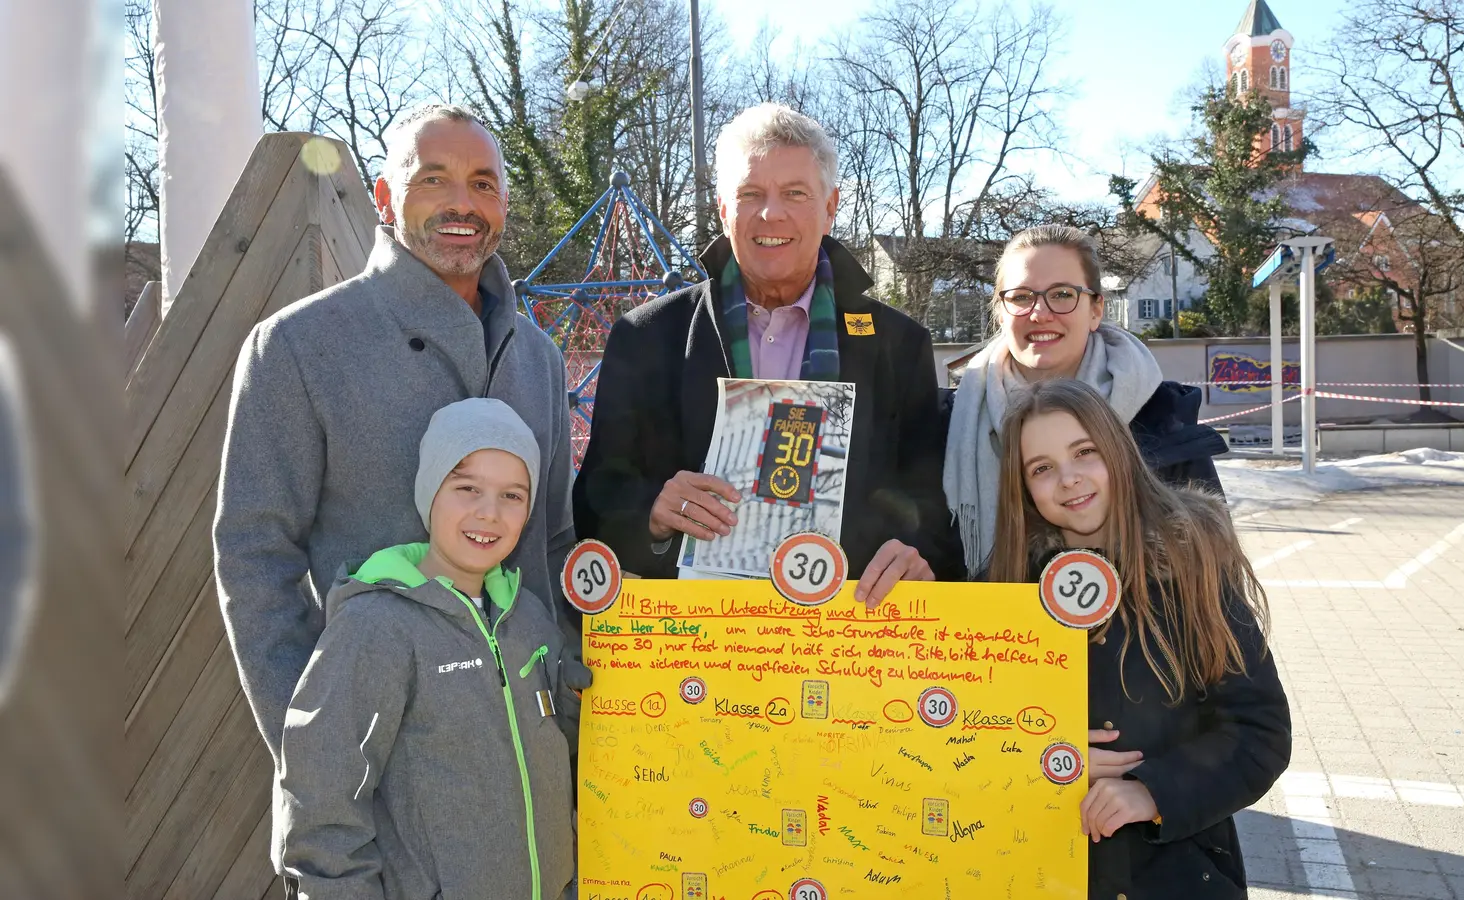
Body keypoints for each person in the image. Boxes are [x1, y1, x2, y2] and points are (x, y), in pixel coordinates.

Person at [214, 104, 584, 822]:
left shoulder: (538, 358)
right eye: (433, 179)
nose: (462, 203)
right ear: (385, 198)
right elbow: (255, 559)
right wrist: (318, 746)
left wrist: (565, 690)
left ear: (504, 204)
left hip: (534, 765)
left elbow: (553, 540)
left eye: (483, 183)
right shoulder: (298, 347)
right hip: (382, 779)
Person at [574, 103, 962, 598]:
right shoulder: (647, 336)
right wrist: (650, 512)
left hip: (848, 636)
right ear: (722, 209)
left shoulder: (899, 345)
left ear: (830, 207)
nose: (770, 212)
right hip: (694, 641)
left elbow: (929, 503)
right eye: (750, 193)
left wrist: (916, 554)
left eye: (794, 193)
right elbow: (593, 499)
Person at [986, 378, 1289, 900]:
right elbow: (961, 733)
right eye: (1041, 468)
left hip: (1174, 875)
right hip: (1039, 867)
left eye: (1085, 452)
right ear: (1022, 489)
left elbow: (1260, 734)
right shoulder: (1004, 588)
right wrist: (1033, 752)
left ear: (1119, 450)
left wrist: (1153, 792)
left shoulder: (1190, 568)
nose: (1069, 479)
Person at [279, 398, 579, 898]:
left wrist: (574, 702)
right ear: (429, 493)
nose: (489, 513)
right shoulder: (375, 626)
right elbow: (321, 803)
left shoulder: (529, 619)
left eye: (512, 494)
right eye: (467, 488)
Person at [945, 223, 1226, 576]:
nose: (1039, 313)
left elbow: (1219, 592)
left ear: (1095, 310)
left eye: (1062, 294)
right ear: (1000, 313)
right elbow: (930, 553)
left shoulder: (1161, 418)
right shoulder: (950, 424)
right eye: (1020, 297)